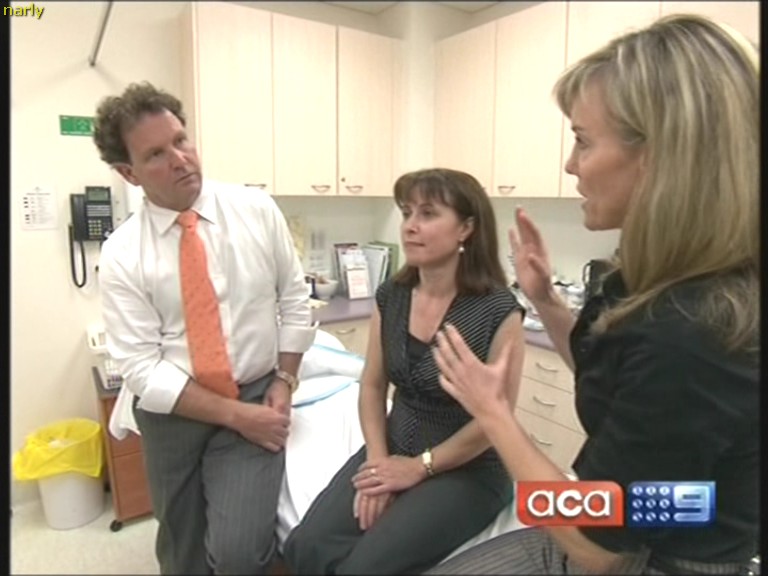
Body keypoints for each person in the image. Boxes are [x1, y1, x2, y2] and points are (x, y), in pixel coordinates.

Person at [427, 14, 759, 575]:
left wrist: (494, 413)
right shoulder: (654, 283)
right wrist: (547, 302)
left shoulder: (694, 330)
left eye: (583, 141)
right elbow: (626, 386)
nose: (570, 163)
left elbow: (598, 544)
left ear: (662, 156)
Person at [94, 82, 316, 575]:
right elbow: (141, 368)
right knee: (181, 549)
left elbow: (294, 300)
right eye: (156, 154)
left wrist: (285, 379)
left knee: (237, 555)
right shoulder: (123, 253)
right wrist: (238, 416)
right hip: (174, 412)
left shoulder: (255, 210)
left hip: (254, 388)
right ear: (128, 172)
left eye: (181, 140)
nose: (180, 160)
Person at [282, 168, 527, 574]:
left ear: (466, 228)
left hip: (466, 468)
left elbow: (493, 423)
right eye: (407, 212)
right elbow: (372, 386)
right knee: (306, 546)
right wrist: (379, 465)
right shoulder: (392, 296)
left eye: (428, 214)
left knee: (363, 568)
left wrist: (418, 468)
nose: (410, 226)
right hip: (393, 449)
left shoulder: (498, 311)